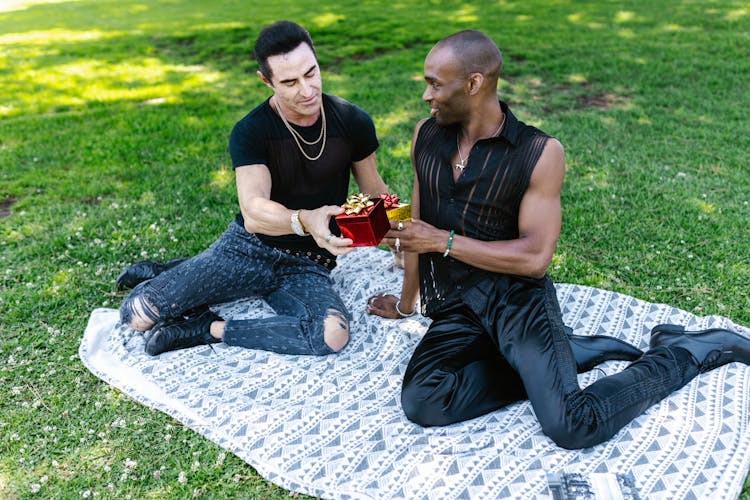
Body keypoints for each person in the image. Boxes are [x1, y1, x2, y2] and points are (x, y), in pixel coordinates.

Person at [366, 30, 750, 449]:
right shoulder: (426, 136)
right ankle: (567, 353)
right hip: (457, 305)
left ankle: (685, 350)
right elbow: (417, 231)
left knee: (573, 424)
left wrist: (443, 241)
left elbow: (534, 258)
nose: (426, 95)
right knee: (423, 400)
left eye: (435, 83)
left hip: (518, 303)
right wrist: (406, 305)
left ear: (474, 84)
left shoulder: (538, 152)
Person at [118, 20, 389, 357]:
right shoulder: (251, 131)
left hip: (308, 262)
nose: (306, 90)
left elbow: (375, 190)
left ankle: (205, 327)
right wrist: (307, 219)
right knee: (136, 315)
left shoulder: (353, 120)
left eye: (311, 73)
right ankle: (174, 271)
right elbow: (253, 210)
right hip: (248, 249)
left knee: (331, 336)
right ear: (266, 81)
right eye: (289, 82)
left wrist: (402, 234)